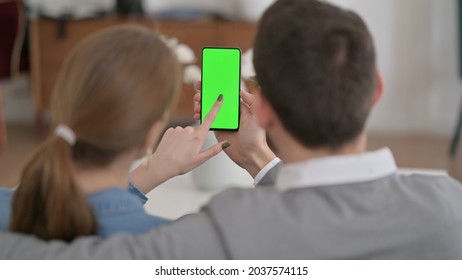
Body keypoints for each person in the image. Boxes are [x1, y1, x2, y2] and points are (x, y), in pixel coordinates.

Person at [2, 0, 462, 259]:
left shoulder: (225, 234)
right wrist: (261, 162)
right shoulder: (449, 207)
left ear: (262, 109)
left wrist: (145, 175)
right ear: (376, 89)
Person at [0, 25, 228, 240]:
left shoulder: (11, 209)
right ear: (151, 134)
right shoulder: (169, 245)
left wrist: (153, 171)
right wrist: (258, 158)